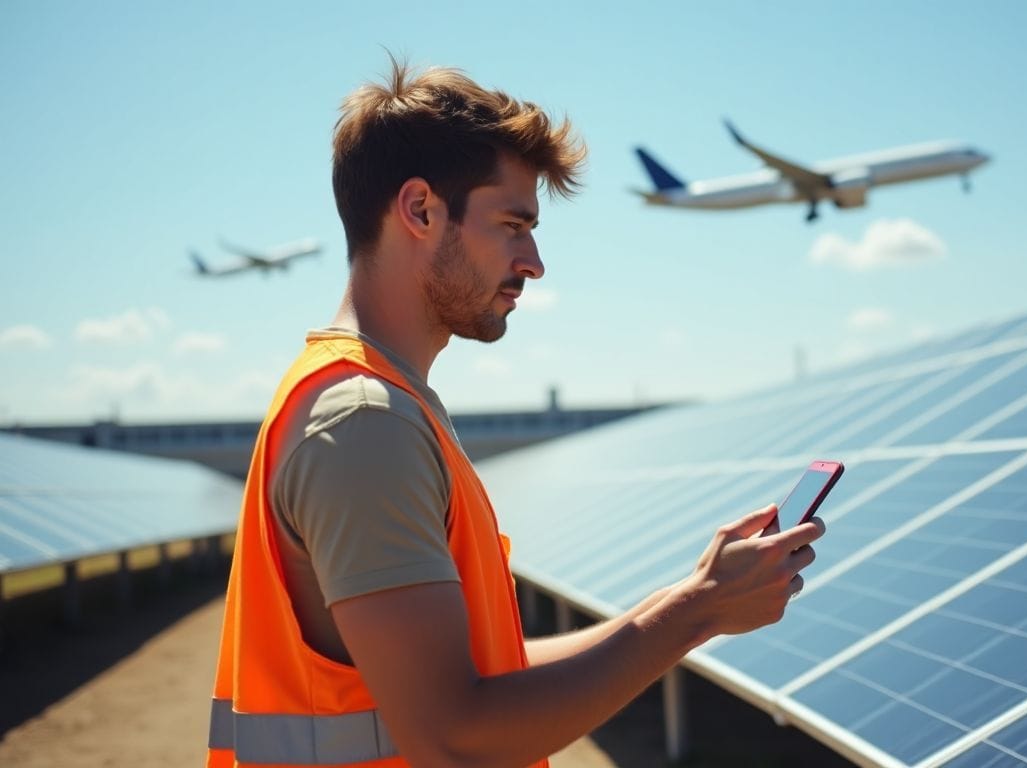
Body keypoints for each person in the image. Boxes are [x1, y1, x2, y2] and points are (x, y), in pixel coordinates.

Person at [208, 59, 826, 768]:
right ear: (419, 210)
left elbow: (485, 675)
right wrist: (696, 613)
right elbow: (455, 738)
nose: (533, 262)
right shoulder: (362, 424)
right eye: (512, 225)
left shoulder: (379, 405)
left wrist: (691, 598)